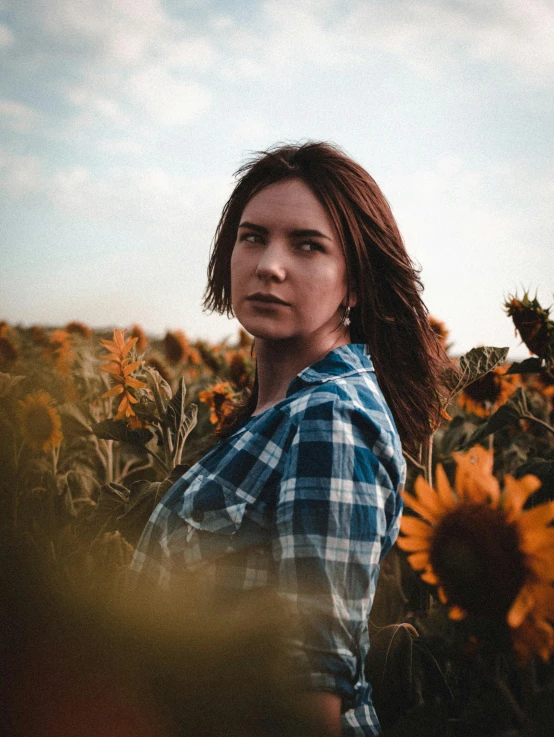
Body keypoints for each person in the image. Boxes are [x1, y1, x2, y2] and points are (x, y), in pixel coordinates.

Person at [129, 142, 450, 736]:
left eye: (307, 245)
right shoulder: (282, 409)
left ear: (354, 284)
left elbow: (311, 697)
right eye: (252, 237)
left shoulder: (330, 420)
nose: (269, 264)